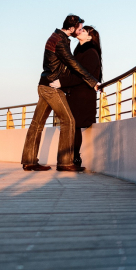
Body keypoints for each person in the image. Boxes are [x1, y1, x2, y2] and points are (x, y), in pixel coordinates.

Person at [20, 15, 99, 172]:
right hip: (52, 86)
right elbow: (72, 63)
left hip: (44, 84)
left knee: (36, 124)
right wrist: (92, 81)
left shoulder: (56, 37)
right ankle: (65, 162)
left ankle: (29, 161)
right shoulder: (60, 41)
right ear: (71, 28)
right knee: (69, 121)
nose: (79, 30)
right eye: (78, 28)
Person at [55, 25, 103, 168]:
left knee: (74, 127)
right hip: (76, 94)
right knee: (72, 127)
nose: (79, 30)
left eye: (83, 30)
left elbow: (83, 76)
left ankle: (75, 160)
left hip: (82, 96)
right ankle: (71, 160)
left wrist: (61, 83)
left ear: (89, 36)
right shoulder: (80, 50)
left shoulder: (90, 52)